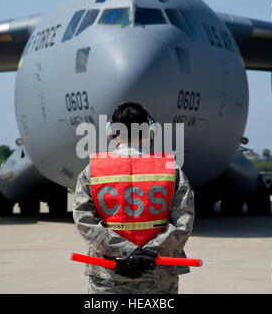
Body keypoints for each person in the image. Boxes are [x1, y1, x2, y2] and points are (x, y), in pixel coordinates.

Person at [73, 102, 195, 294]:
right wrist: (147, 255)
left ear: (111, 131)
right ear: (149, 131)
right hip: (158, 273)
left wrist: (124, 253)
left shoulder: (93, 170)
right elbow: (183, 222)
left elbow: (84, 219)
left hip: (109, 273)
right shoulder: (172, 169)